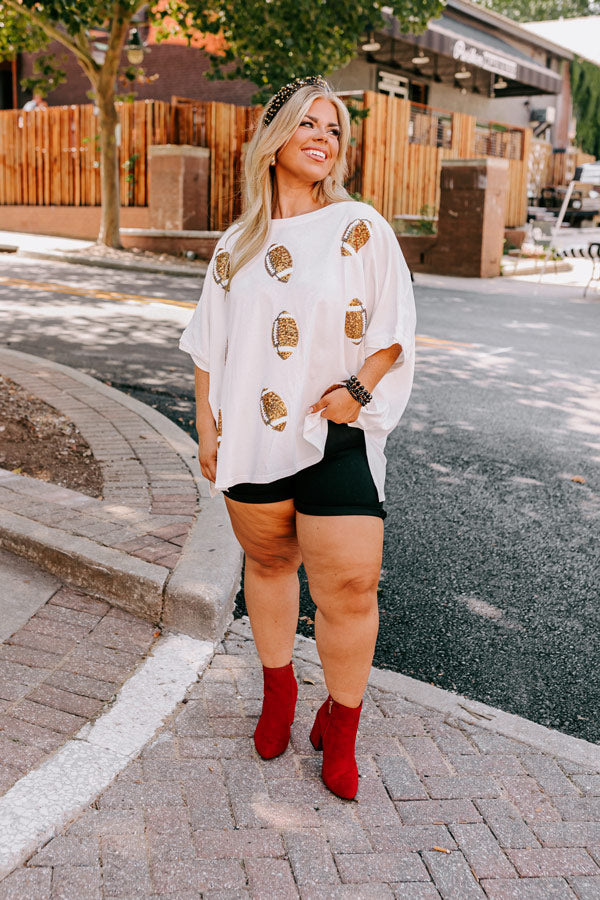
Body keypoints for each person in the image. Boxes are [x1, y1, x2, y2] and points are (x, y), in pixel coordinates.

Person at [180, 75, 416, 800]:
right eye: (307, 123)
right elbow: (207, 346)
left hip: (333, 431)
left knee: (351, 585)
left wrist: (359, 392)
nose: (322, 137)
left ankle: (340, 727)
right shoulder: (236, 243)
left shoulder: (359, 227)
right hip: (251, 437)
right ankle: (279, 693)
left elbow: (393, 332)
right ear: (275, 136)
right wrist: (207, 424)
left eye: (334, 128)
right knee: (271, 564)